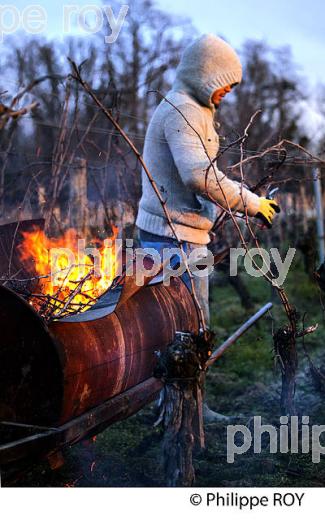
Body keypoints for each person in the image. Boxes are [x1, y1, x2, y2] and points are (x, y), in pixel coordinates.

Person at [136, 33, 279, 329]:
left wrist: (240, 205)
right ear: (204, 74)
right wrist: (250, 203)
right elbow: (199, 176)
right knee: (190, 334)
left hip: (175, 236)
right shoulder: (183, 109)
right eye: (224, 80)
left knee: (172, 335)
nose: (228, 89)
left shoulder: (193, 107)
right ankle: (190, 377)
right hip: (174, 241)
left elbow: (200, 174)